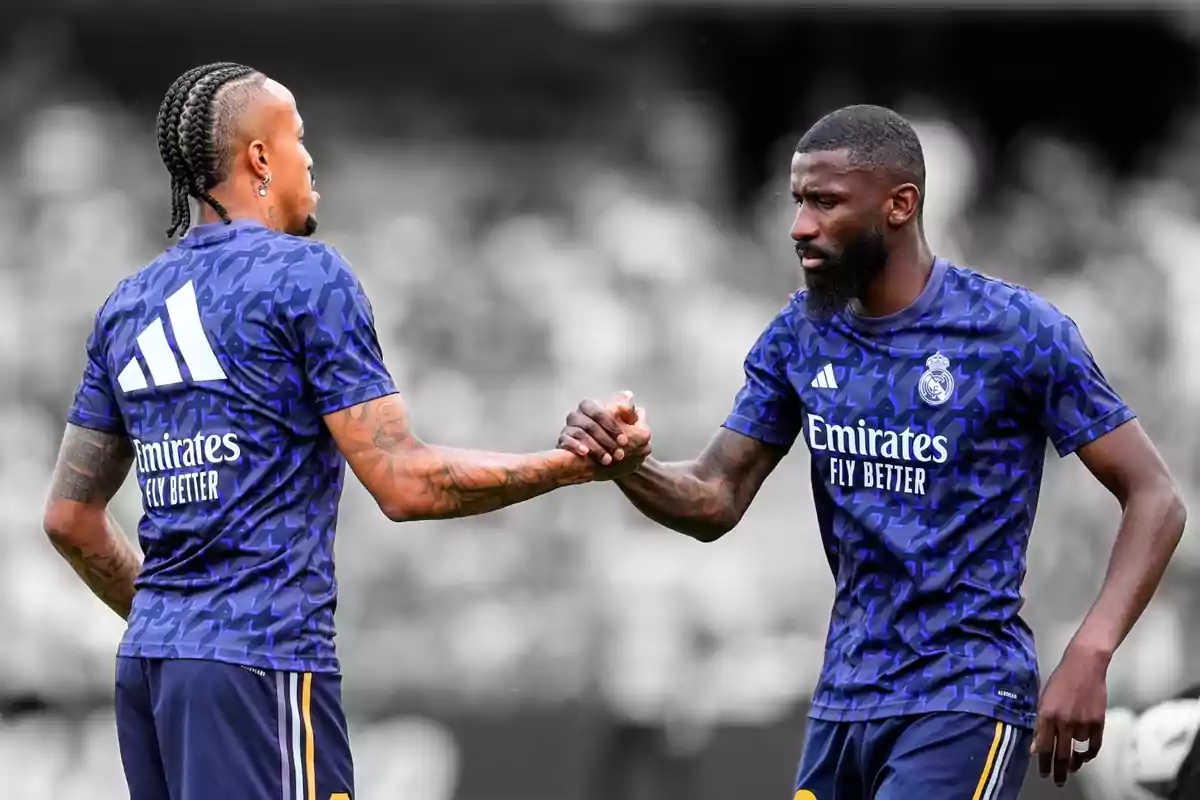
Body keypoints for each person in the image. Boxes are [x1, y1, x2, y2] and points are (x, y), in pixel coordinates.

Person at [40, 62, 649, 800]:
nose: (310, 156)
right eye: (297, 137)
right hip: (261, 664)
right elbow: (403, 482)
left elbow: (71, 518)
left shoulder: (127, 305)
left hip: (152, 672)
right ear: (259, 158)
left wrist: (181, 624)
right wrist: (573, 464)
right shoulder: (305, 276)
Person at [559, 104, 1186, 798]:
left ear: (900, 205)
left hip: (963, 696)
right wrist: (626, 466)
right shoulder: (801, 332)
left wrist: (1090, 652)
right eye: (798, 201)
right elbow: (715, 496)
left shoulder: (1016, 331)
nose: (800, 225)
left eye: (824, 202)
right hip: (843, 703)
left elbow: (1154, 496)